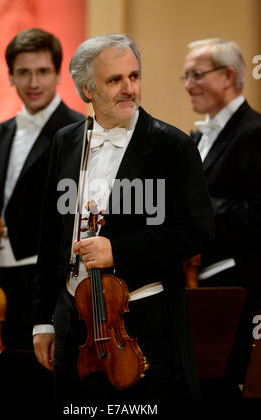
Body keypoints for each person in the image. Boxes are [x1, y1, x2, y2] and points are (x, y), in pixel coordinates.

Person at [33, 33, 213, 403]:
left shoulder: (172, 146)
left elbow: (197, 233)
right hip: (74, 323)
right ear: (86, 89)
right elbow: (50, 236)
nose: (128, 88)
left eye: (133, 76)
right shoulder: (66, 141)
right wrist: (43, 320)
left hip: (142, 323)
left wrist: (119, 250)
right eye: (114, 80)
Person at [0, 28, 83, 399]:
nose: (33, 82)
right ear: (11, 76)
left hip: (46, 275)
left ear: (57, 73)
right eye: (23, 73)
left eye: (42, 71)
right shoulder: (1, 132)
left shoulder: (77, 130)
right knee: (7, 377)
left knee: (44, 379)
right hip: (2, 277)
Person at [182, 38, 261, 397]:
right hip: (200, 286)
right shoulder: (199, 134)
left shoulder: (254, 132)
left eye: (196, 75)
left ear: (228, 75)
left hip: (238, 288)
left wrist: (196, 209)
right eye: (185, 76)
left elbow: (257, 213)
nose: (188, 85)